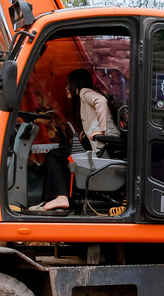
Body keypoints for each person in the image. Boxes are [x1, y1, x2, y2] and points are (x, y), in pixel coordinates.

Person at [34, 69, 118, 212]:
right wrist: (87, 133)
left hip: (102, 149)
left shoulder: (84, 92)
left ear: (76, 84)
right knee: (59, 155)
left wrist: (101, 130)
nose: (66, 88)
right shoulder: (86, 95)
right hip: (103, 146)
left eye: (68, 84)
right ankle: (54, 199)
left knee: (56, 156)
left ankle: (61, 197)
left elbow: (101, 101)